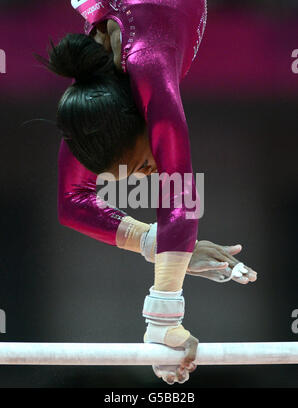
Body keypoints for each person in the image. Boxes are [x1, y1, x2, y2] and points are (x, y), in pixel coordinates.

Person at [36, 0, 257, 384]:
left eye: (139, 166)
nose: (148, 173)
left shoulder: (149, 67)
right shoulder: (96, 93)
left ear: (140, 119)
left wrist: (163, 318)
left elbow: (180, 196)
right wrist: (157, 243)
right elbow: (72, 203)